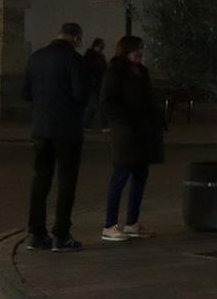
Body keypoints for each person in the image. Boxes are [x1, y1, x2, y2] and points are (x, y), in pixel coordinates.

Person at [23, 22, 89, 252]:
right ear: (76, 38)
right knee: (66, 181)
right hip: (67, 129)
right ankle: (61, 234)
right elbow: (80, 94)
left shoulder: (36, 57)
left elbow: (26, 93)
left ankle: (36, 232)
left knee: (40, 180)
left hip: (40, 128)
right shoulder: (74, 60)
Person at [99, 36, 164, 242]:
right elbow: (108, 102)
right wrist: (123, 123)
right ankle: (109, 225)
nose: (140, 52)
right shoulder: (116, 72)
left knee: (140, 177)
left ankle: (132, 223)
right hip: (127, 134)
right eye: (136, 49)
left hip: (143, 132)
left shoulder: (141, 71)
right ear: (125, 50)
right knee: (120, 177)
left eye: (141, 48)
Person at [81, 38, 108, 130]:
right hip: (93, 85)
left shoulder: (98, 57)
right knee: (99, 105)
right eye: (101, 46)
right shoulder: (91, 57)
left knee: (92, 107)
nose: (102, 48)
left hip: (96, 85)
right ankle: (104, 125)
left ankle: (85, 124)